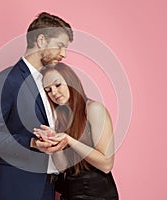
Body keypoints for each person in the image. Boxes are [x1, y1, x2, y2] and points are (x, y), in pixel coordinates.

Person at [0, 12, 73, 200]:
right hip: (15, 189)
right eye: (60, 46)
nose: (64, 54)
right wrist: (32, 143)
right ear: (42, 40)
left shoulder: (47, 83)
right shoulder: (6, 80)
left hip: (45, 186)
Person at [34, 63, 119, 200]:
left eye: (58, 85)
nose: (54, 93)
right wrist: (55, 141)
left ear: (70, 81)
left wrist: (70, 140)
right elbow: (62, 167)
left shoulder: (93, 109)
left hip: (98, 194)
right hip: (71, 192)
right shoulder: (61, 118)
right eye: (48, 90)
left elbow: (106, 164)